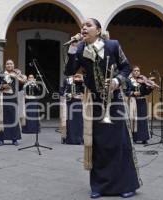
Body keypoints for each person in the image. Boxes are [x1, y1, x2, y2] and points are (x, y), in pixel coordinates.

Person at [65, 18, 141, 198]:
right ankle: (98, 186)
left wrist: (116, 81)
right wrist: (72, 50)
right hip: (95, 102)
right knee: (98, 143)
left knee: (119, 142)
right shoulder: (81, 48)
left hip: (114, 100)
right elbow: (69, 71)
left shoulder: (113, 45)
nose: (84, 28)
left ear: (98, 30)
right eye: (82, 26)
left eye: (88, 25)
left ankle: (125, 185)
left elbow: (126, 67)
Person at [0, 59, 27, 146]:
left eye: (11, 64)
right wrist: (3, 85)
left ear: (13, 65)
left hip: (13, 98)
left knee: (14, 119)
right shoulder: (2, 74)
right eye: (7, 64)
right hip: (3, 98)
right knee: (2, 119)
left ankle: (14, 139)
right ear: (5, 65)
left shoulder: (16, 74)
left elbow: (20, 87)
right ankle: (1, 139)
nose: (9, 65)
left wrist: (20, 80)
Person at [127, 66, 154, 144]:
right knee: (133, 119)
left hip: (142, 101)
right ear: (132, 72)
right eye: (135, 70)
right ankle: (134, 138)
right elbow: (125, 91)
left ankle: (144, 138)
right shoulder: (128, 80)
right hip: (133, 101)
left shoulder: (143, 80)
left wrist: (150, 88)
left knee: (143, 120)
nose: (136, 72)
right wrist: (132, 93)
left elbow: (146, 92)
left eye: (138, 71)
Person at [60, 74, 84, 145]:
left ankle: (79, 139)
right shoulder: (67, 80)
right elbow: (62, 91)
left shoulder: (81, 79)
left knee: (79, 121)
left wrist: (82, 81)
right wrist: (67, 95)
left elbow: (84, 90)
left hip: (78, 102)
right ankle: (71, 139)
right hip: (70, 102)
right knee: (70, 121)